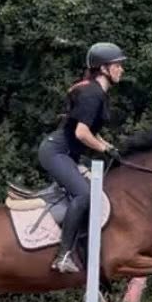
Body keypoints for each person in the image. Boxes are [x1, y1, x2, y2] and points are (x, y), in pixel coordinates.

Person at [37, 42, 126, 273]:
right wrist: (104, 149)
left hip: (67, 154)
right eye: (117, 65)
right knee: (84, 195)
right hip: (56, 152)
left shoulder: (98, 93)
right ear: (103, 68)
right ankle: (63, 255)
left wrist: (110, 147)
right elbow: (81, 133)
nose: (121, 69)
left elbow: (91, 131)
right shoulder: (92, 94)